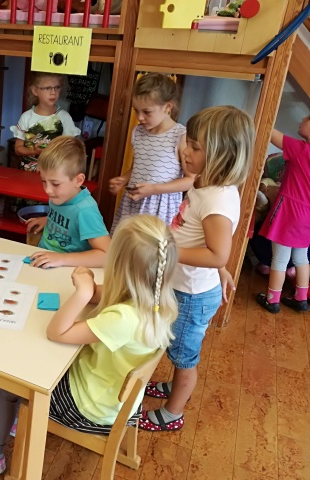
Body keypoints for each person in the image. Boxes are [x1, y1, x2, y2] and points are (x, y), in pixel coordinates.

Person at [0, 214, 179, 475]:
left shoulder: (123, 319)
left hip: (87, 408)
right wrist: (90, 288)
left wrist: (82, 293)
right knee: (32, 360)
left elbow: (56, 332)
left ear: (120, 267)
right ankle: (8, 419)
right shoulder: (155, 299)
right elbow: (102, 294)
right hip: (109, 397)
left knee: (10, 379)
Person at [140, 106, 254, 432]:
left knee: (184, 355)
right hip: (185, 284)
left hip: (191, 294)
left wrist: (168, 248)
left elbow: (218, 253)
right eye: (187, 143)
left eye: (194, 147)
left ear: (221, 155)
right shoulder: (204, 184)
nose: (184, 150)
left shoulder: (217, 201)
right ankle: (173, 386)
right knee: (172, 343)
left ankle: (174, 412)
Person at [109, 72, 194, 232]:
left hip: (160, 210)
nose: (140, 117)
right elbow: (138, 166)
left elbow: (191, 180)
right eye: (136, 110)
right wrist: (124, 179)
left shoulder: (180, 136)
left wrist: (154, 189)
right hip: (133, 204)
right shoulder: (138, 132)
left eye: (147, 112)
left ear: (168, 107)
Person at [24, 136, 110, 268]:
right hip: (44, 260)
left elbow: (106, 256)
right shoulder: (60, 196)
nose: (48, 190)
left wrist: (62, 259)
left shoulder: (85, 211)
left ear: (78, 180)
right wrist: (48, 220)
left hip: (67, 269)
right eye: (43, 181)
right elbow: (67, 218)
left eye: (55, 183)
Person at [255, 116, 310, 313]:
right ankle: (301, 298)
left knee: (279, 258)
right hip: (307, 215)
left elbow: (271, 133)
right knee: (301, 257)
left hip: (290, 211)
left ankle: (272, 300)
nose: (302, 120)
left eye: (306, 120)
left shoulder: (301, 149)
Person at [10, 72, 81, 171]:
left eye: (57, 87)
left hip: (54, 171)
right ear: (35, 90)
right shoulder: (26, 117)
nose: (53, 92)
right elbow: (18, 149)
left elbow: (70, 149)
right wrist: (33, 151)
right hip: (27, 171)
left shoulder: (64, 117)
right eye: (47, 88)